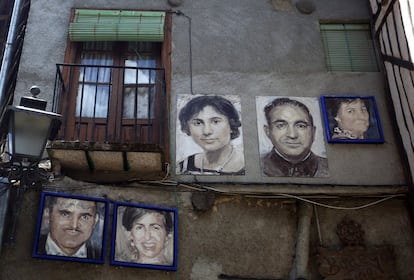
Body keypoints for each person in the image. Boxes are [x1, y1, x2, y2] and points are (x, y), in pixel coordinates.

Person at [177, 95, 245, 175]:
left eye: (215, 122)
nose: (207, 131)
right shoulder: (183, 167)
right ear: (188, 127)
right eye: (198, 123)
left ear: (231, 125)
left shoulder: (246, 165)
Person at [261, 97, 328, 177]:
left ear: (313, 132)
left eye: (301, 126)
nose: (292, 135)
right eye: (281, 125)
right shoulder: (254, 168)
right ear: (268, 131)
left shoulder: (331, 169)